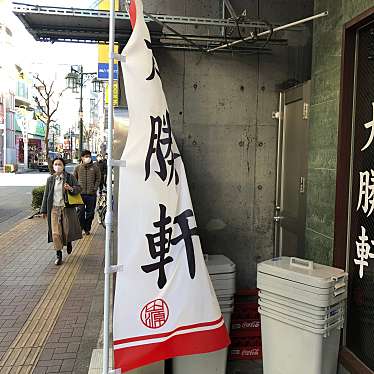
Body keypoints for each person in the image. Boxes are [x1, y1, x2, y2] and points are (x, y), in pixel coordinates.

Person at [41, 157, 83, 265]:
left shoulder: (69, 177)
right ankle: (58, 254)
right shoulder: (50, 179)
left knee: (67, 231)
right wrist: (44, 210)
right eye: (55, 164)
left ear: (63, 166)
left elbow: (79, 188)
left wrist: (70, 188)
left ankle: (68, 241)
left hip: (66, 208)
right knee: (55, 233)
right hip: (54, 209)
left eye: (59, 164)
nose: (57, 166)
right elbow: (46, 195)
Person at [74, 150, 101, 235]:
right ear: (82, 157)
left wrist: (95, 188)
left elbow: (98, 178)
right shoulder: (78, 168)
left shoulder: (95, 167)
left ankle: (87, 228)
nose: (87, 158)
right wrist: (76, 189)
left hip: (91, 194)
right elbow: (74, 180)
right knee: (80, 212)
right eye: (85, 156)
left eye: (88, 156)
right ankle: (81, 227)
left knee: (90, 213)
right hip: (80, 194)